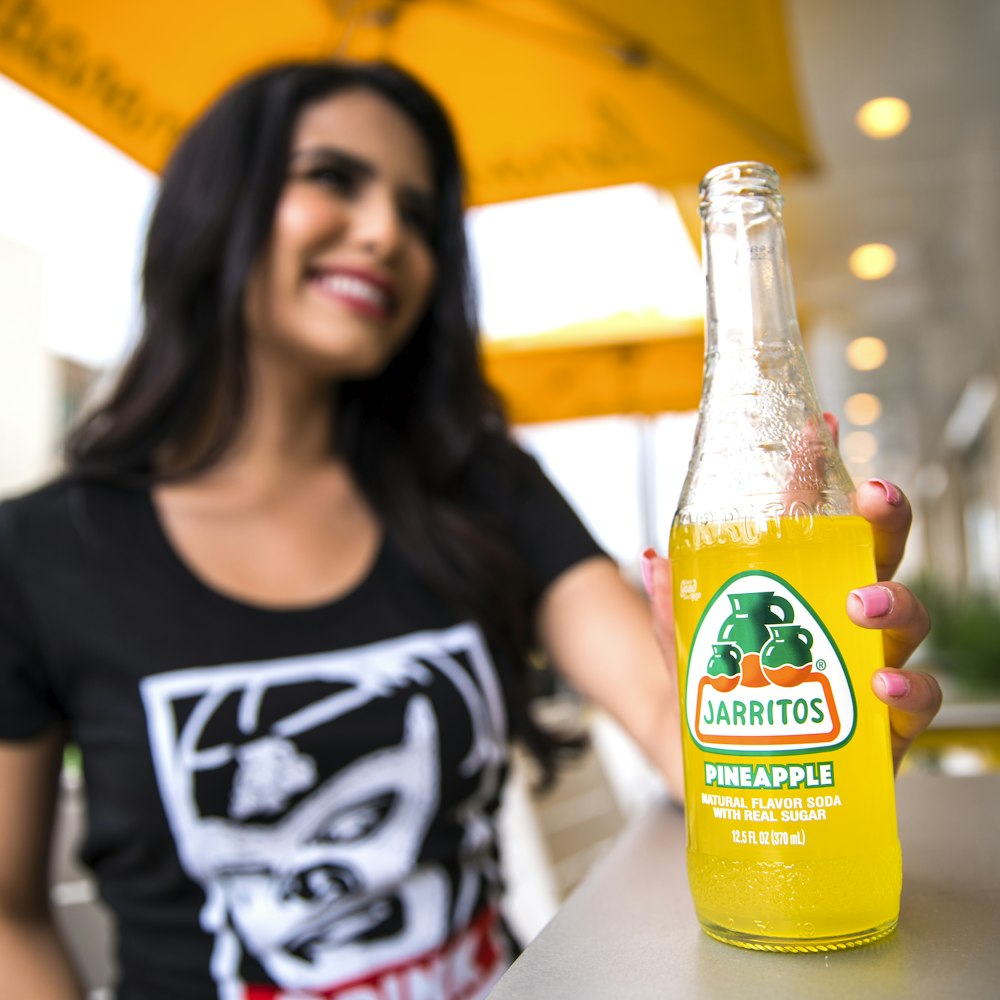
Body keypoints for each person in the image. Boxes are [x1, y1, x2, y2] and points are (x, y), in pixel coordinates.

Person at [0, 59, 941, 1000]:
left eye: (418, 216)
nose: (384, 235)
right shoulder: (39, 555)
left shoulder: (480, 488)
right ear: (218, 202)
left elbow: (669, 724)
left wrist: (788, 721)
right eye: (333, 177)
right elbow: (12, 916)